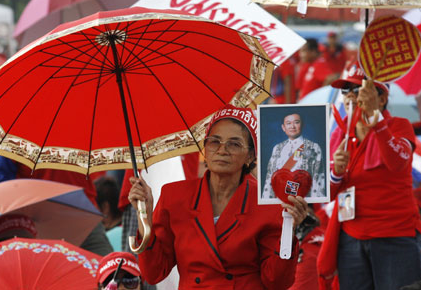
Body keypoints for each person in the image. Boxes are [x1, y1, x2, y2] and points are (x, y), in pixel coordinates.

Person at [128, 104, 309, 289]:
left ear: (251, 156)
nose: (222, 150)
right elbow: (154, 273)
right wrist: (145, 219)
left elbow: (277, 282)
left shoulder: (267, 203)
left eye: (234, 144)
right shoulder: (174, 196)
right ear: (204, 150)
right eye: (214, 141)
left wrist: (289, 228)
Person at [318, 60, 421, 290]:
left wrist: (377, 123)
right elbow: (326, 193)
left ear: (382, 99)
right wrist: (336, 173)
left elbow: (398, 163)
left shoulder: (399, 126)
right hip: (351, 238)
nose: (350, 96)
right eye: (346, 90)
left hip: (394, 238)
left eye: (358, 89)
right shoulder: (339, 133)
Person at [262, 112, 325, 200]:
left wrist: (314, 204)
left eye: (296, 122)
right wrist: (267, 202)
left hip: (303, 201)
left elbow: (318, 178)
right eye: (288, 123)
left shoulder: (313, 147)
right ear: (283, 127)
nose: (292, 126)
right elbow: (270, 178)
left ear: (302, 125)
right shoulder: (277, 148)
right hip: (279, 202)